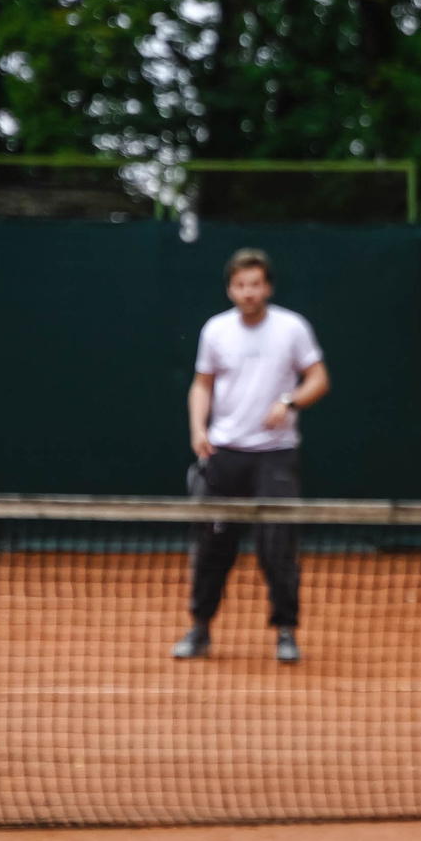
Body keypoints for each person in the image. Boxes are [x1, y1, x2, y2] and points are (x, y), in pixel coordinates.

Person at [172, 248, 329, 664]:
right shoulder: (215, 331)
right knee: (211, 549)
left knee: (278, 548)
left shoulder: (292, 328)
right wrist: (198, 429)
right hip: (224, 455)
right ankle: (201, 628)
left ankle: (285, 632)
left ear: (268, 287)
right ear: (230, 289)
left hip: (275, 457)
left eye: (256, 284)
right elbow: (201, 384)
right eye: (241, 285)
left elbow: (318, 378)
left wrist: (290, 402)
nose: (248, 293)